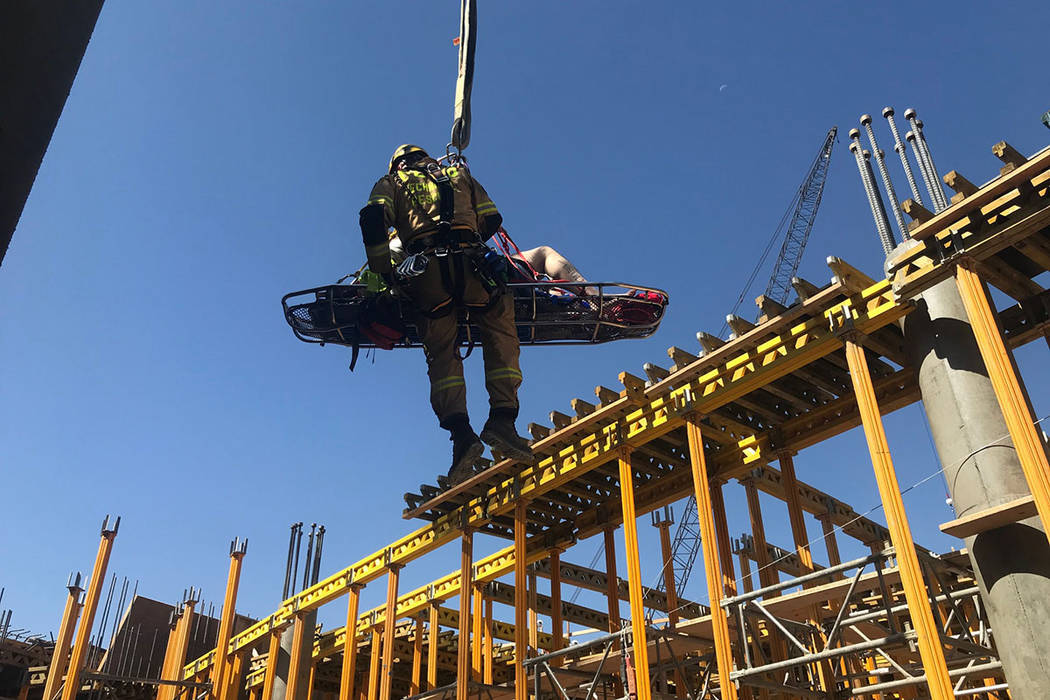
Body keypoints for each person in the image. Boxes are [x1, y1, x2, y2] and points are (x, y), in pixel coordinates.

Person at [358, 144, 533, 482]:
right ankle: (503, 419)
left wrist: (385, 270)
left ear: (397, 164)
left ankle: (461, 435)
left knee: (441, 352)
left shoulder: (391, 182)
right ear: (425, 157)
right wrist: (465, 239)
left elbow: (371, 218)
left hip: (427, 277)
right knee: (500, 324)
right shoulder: (458, 172)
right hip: (473, 268)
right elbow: (491, 218)